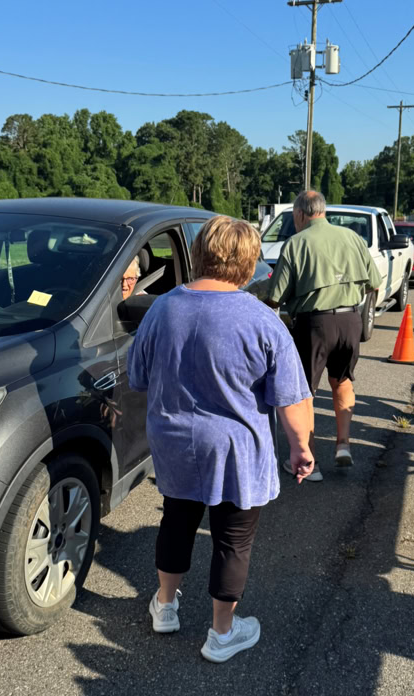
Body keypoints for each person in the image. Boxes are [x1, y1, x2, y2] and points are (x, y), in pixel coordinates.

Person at [127, 216, 313, 663]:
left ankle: (165, 606)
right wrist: (300, 448)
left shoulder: (162, 309)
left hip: (174, 442)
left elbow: (138, 376)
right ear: (249, 264)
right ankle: (222, 633)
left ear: (199, 254)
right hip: (235, 450)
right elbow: (290, 399)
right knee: (232, 540)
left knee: (176, 520)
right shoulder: (263, 320)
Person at [266, 190, 381, 480]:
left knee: (305, 393)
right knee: (342, 381)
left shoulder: (296, 243)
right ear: (323, 211)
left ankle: (311, 464)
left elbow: (276, 296)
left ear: (300, 214)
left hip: (314, 324)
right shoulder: (353, 238)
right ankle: (343, 445)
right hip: (351, 321)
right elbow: (374, 283)